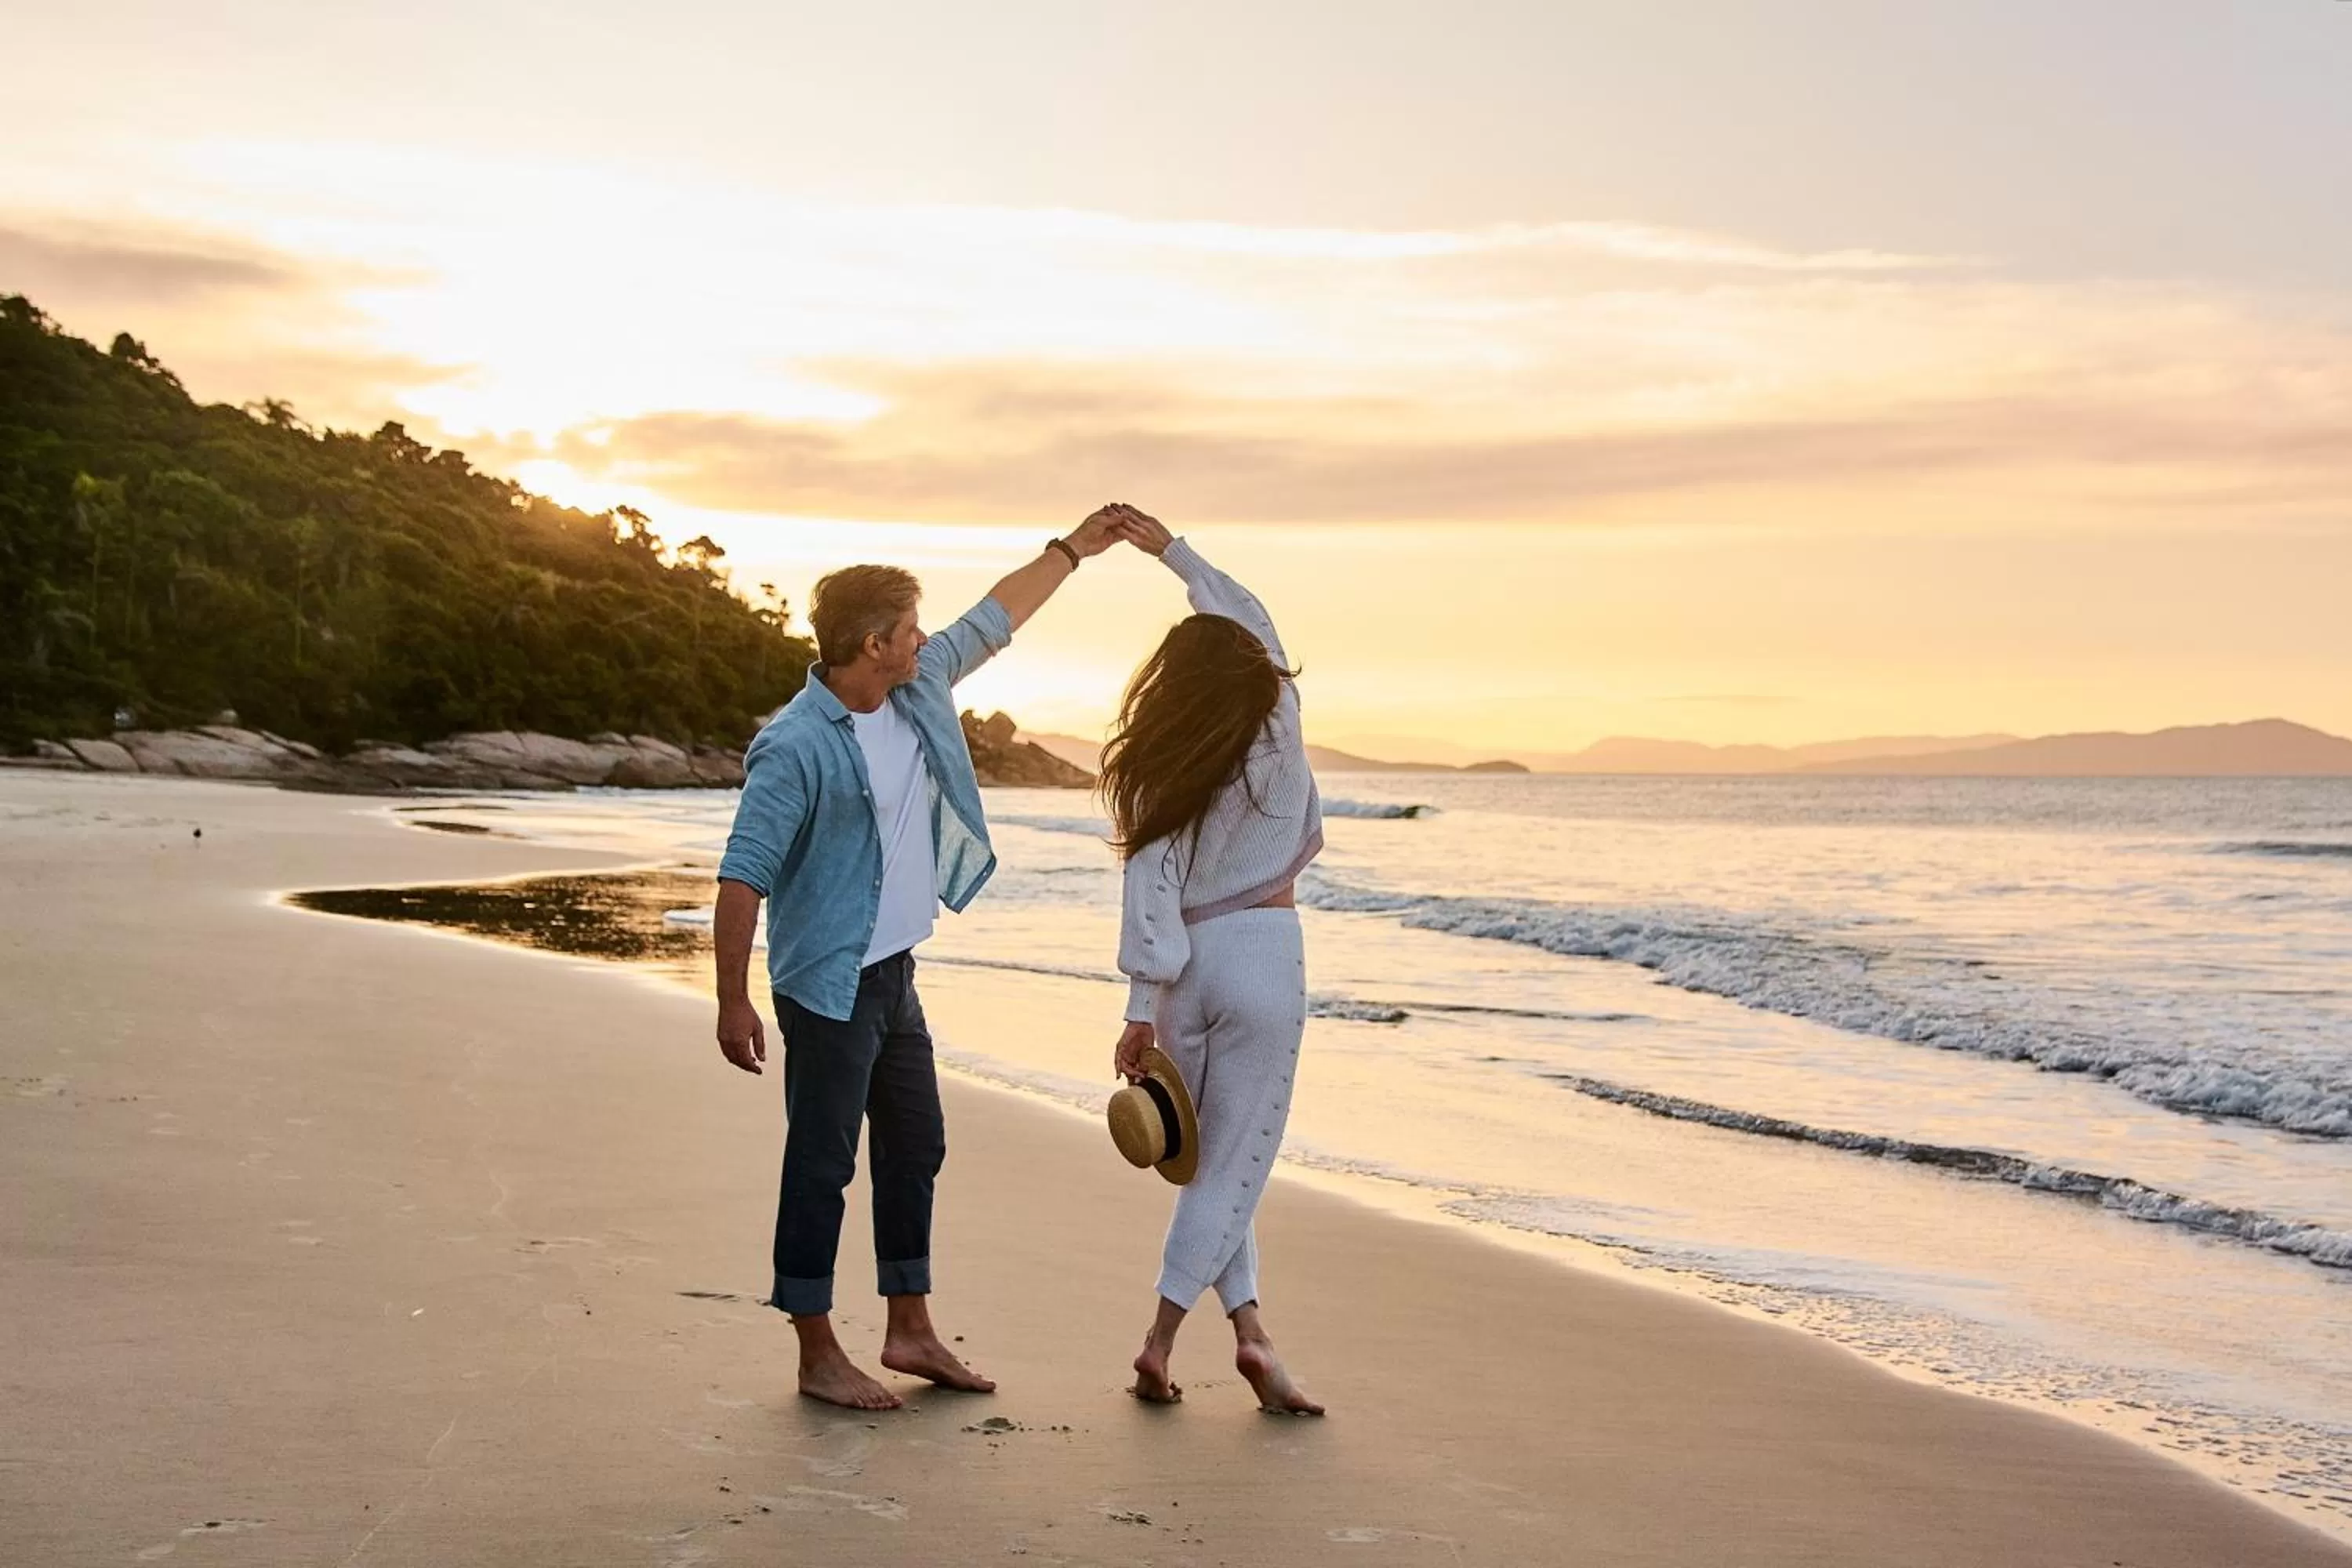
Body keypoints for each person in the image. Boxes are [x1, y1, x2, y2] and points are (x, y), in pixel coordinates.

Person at [713, 506, 1128, 1410]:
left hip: (895, 970)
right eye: (909, 629)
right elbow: (743, 876)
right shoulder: (794, 746)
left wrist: (1072, 549)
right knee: (822, 1163)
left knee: (917, 1143)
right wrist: (732, 1000)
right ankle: (817, 1350)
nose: (926, 638)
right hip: (825, 979)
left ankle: (908, 1328)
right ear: (875, 644)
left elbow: (995, 616)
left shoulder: (918, 685)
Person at [1099, 503, 1327, 1417]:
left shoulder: (1164, 762)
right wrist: (1175, 554)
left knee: (1211, 1161)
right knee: (1233, 1163)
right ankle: (1157, 1341)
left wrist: (1141, 1003)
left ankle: (1253, 1334)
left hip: (1185, 968)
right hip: (1263, 953)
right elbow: (1252, 613)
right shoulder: (1276, 716)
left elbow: (1151, 887)